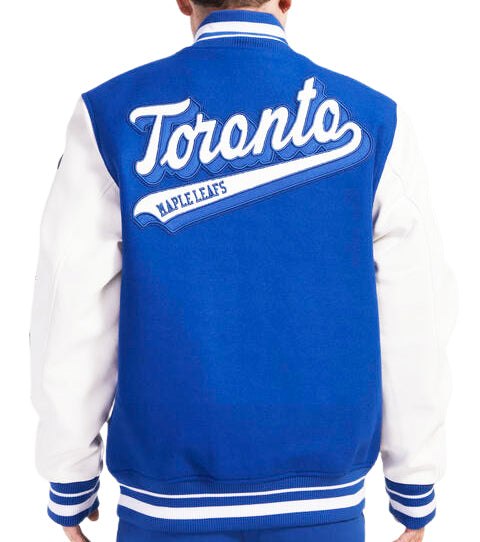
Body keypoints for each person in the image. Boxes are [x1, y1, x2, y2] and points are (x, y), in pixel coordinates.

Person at [30, 1, 456, 541]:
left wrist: (70, 475)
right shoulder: (374, 121)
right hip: (324, 508)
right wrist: (413, 484)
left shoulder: (111, 117)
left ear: (183, 0)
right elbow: (415, 313)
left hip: (166, 511)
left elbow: (70, 306)